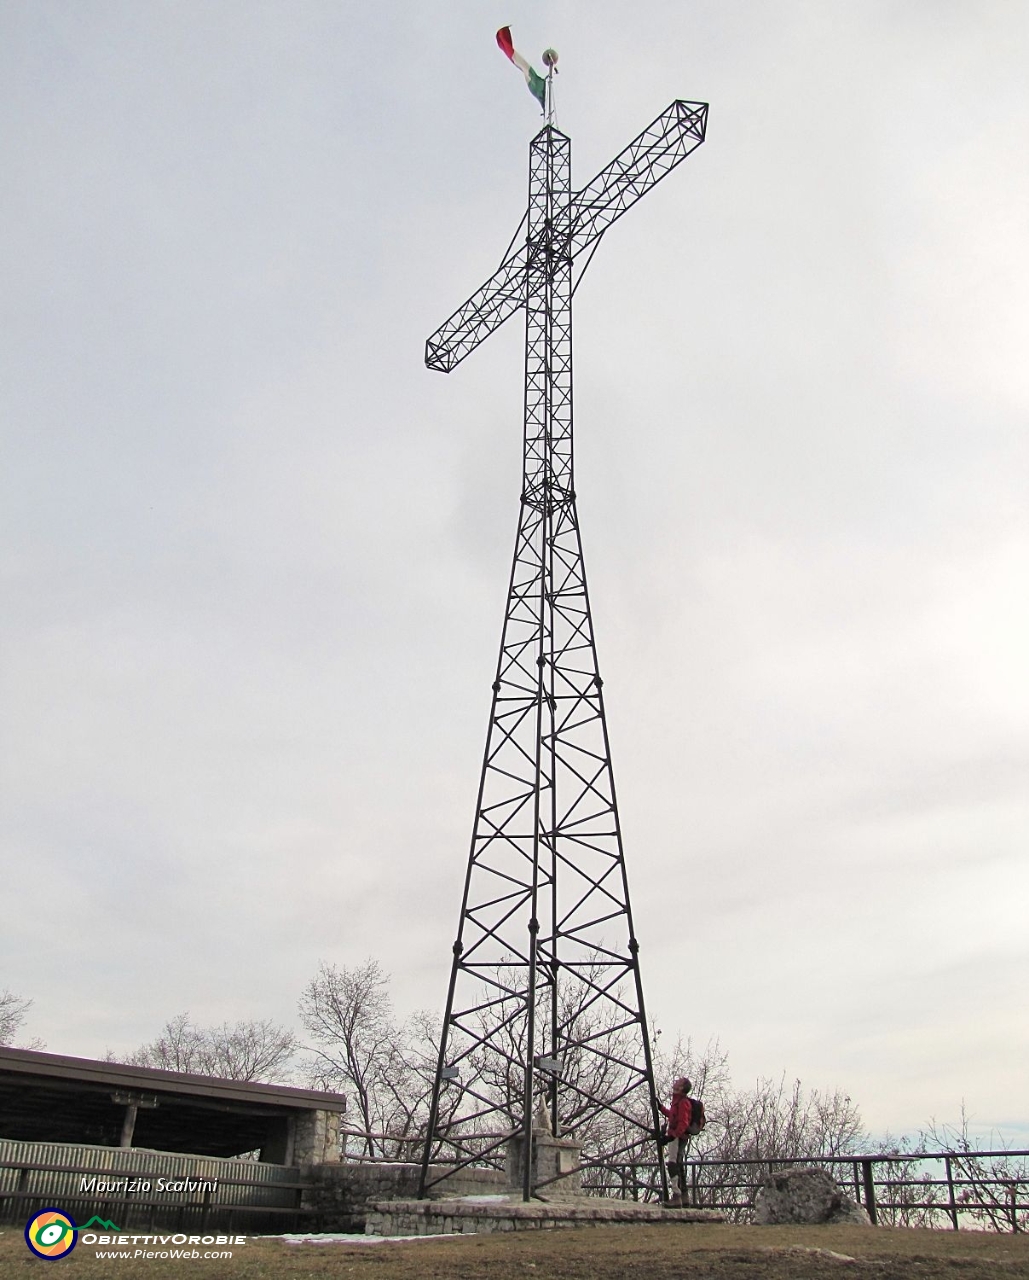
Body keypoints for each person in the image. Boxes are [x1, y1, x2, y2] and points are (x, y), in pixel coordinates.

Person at [659, 1076, 693, 1207]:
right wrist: (661, 1108)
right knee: (678, 1164)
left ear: (681, 1088)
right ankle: (683, 1197)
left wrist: (673, 1136)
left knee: (672, 1164)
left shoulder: (682, 1102)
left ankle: (676, 1195)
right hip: (677, 1136)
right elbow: (674, 1116)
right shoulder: (678, 1101)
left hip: (677, 1136)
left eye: (679, 1082)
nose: (675, 1082)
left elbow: (682, 1122)